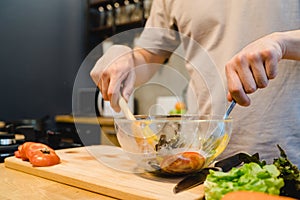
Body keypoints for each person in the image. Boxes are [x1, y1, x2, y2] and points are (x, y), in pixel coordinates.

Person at [90, 0, 300, 166]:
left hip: (291, 162)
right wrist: (127, 59)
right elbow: (150, 56)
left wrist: (282, 43)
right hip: (202, 165)